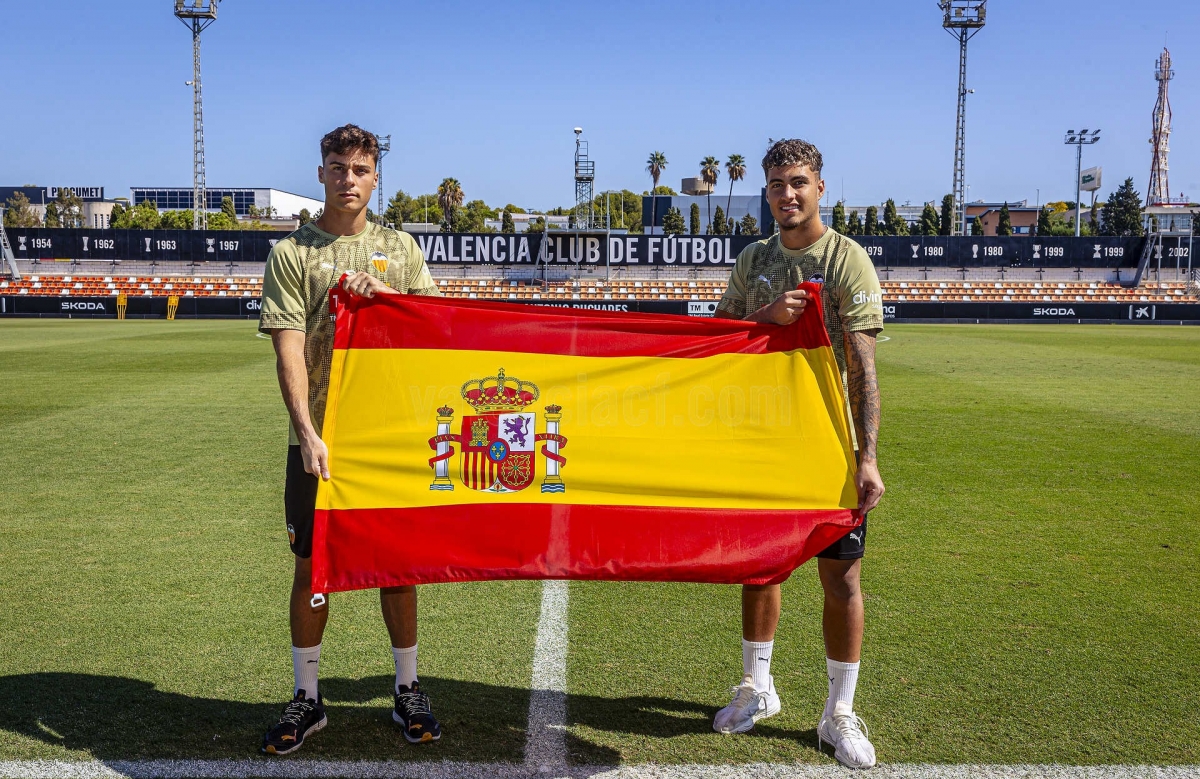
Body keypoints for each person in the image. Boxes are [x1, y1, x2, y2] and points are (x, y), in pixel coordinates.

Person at [257, 124, 443, 754]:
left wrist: (391, 296)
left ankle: (408, 689)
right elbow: (287, 349)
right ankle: (307, 699)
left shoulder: (401, 248)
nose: (348, 179)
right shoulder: (291, 254)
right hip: (318, 441)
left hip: (387, 437)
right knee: (313, 566)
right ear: (321, 173)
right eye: (338, 167)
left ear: (376, 177)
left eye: (360, 169)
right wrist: (306, 432)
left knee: (396, 566)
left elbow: (438, 333)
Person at [712, 138, 885, 769]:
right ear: (766, 191)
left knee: (840, 575)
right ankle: (757, 686)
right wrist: (765, 316)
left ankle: (839, 711)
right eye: (779, 183)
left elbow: (863, 368)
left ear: (820, 188)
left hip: (829, 443)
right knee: (760, 566)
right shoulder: (753, 259)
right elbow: (723, 339)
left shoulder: (845, 259)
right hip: (764, 441)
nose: (789, 193)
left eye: (800, 182)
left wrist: (866, 457)